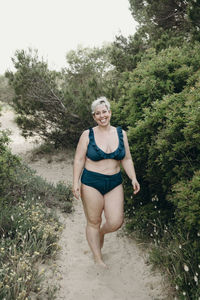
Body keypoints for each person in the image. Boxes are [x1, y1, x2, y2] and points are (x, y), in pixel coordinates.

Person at [72, 96, 140, 268]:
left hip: (114, 183)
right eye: (97, 114)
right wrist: (75, 183)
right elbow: (79, 160)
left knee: (116, 221)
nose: (102, 116)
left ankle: (101, 233)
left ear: (109, 112)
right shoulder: (87, 135)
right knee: (93, 221)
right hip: (91, 183)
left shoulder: (121, 133)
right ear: (94, 117)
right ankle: (97, 257)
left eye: (104, 112)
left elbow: (127, 158)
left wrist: (133, 177)